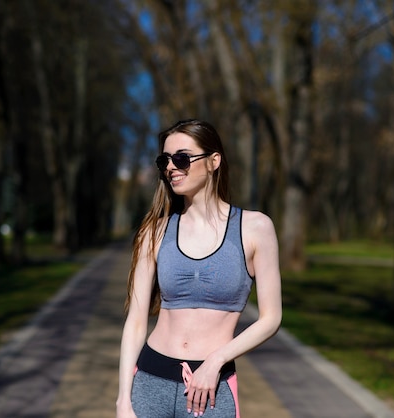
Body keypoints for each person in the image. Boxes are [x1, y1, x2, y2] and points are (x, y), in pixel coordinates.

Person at [116, 119, 282, 418]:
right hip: (149, 382)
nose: (171, 167)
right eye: (164, 160)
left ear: (213, 161)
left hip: (211, 388)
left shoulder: (255, 228)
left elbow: (271, 319)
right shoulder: (153, 231)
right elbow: (136, 322)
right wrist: (123, 400)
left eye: (181, 158)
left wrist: (216, 360)